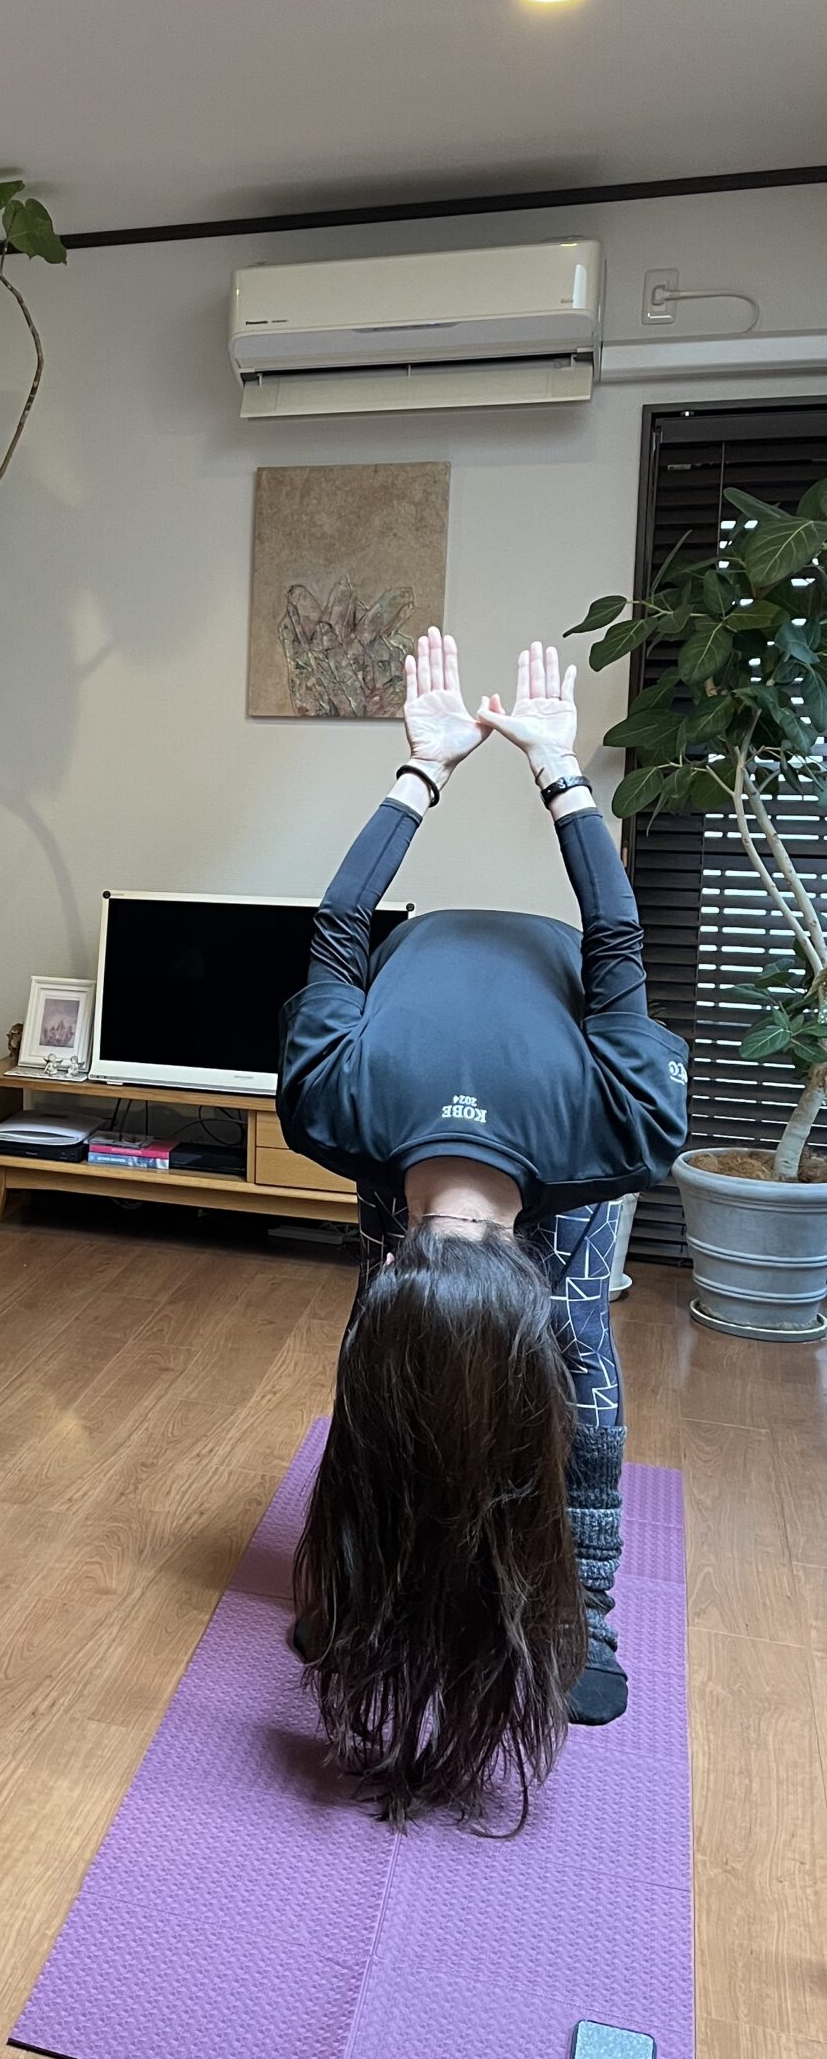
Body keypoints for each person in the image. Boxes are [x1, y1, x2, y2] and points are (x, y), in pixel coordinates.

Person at [277, 629, 689, 1828]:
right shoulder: (336, 1100)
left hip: (554, 1040)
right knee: (390, 1348)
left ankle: (586, 1611)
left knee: (576, 1349)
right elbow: (340, 928)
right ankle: (357, 1578)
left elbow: (615, 942)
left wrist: (561, 771)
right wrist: (422, 767)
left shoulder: (618, 1124)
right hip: (417, 1029)